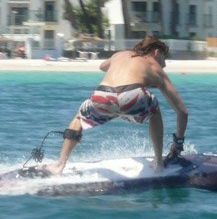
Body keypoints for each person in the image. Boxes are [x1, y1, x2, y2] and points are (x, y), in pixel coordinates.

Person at [48, 36, 188, 175]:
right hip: (131, 97)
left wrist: (120, 67)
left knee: (80, 117)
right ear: (156, 52)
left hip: (103, 96)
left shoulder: (120, 54)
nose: (164, 64)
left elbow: (102, 66)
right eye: (164, 58)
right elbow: (182, 111)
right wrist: (178, 143)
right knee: (154, 108)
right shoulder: (155, 66)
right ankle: (158, 164)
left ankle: (60, 165)